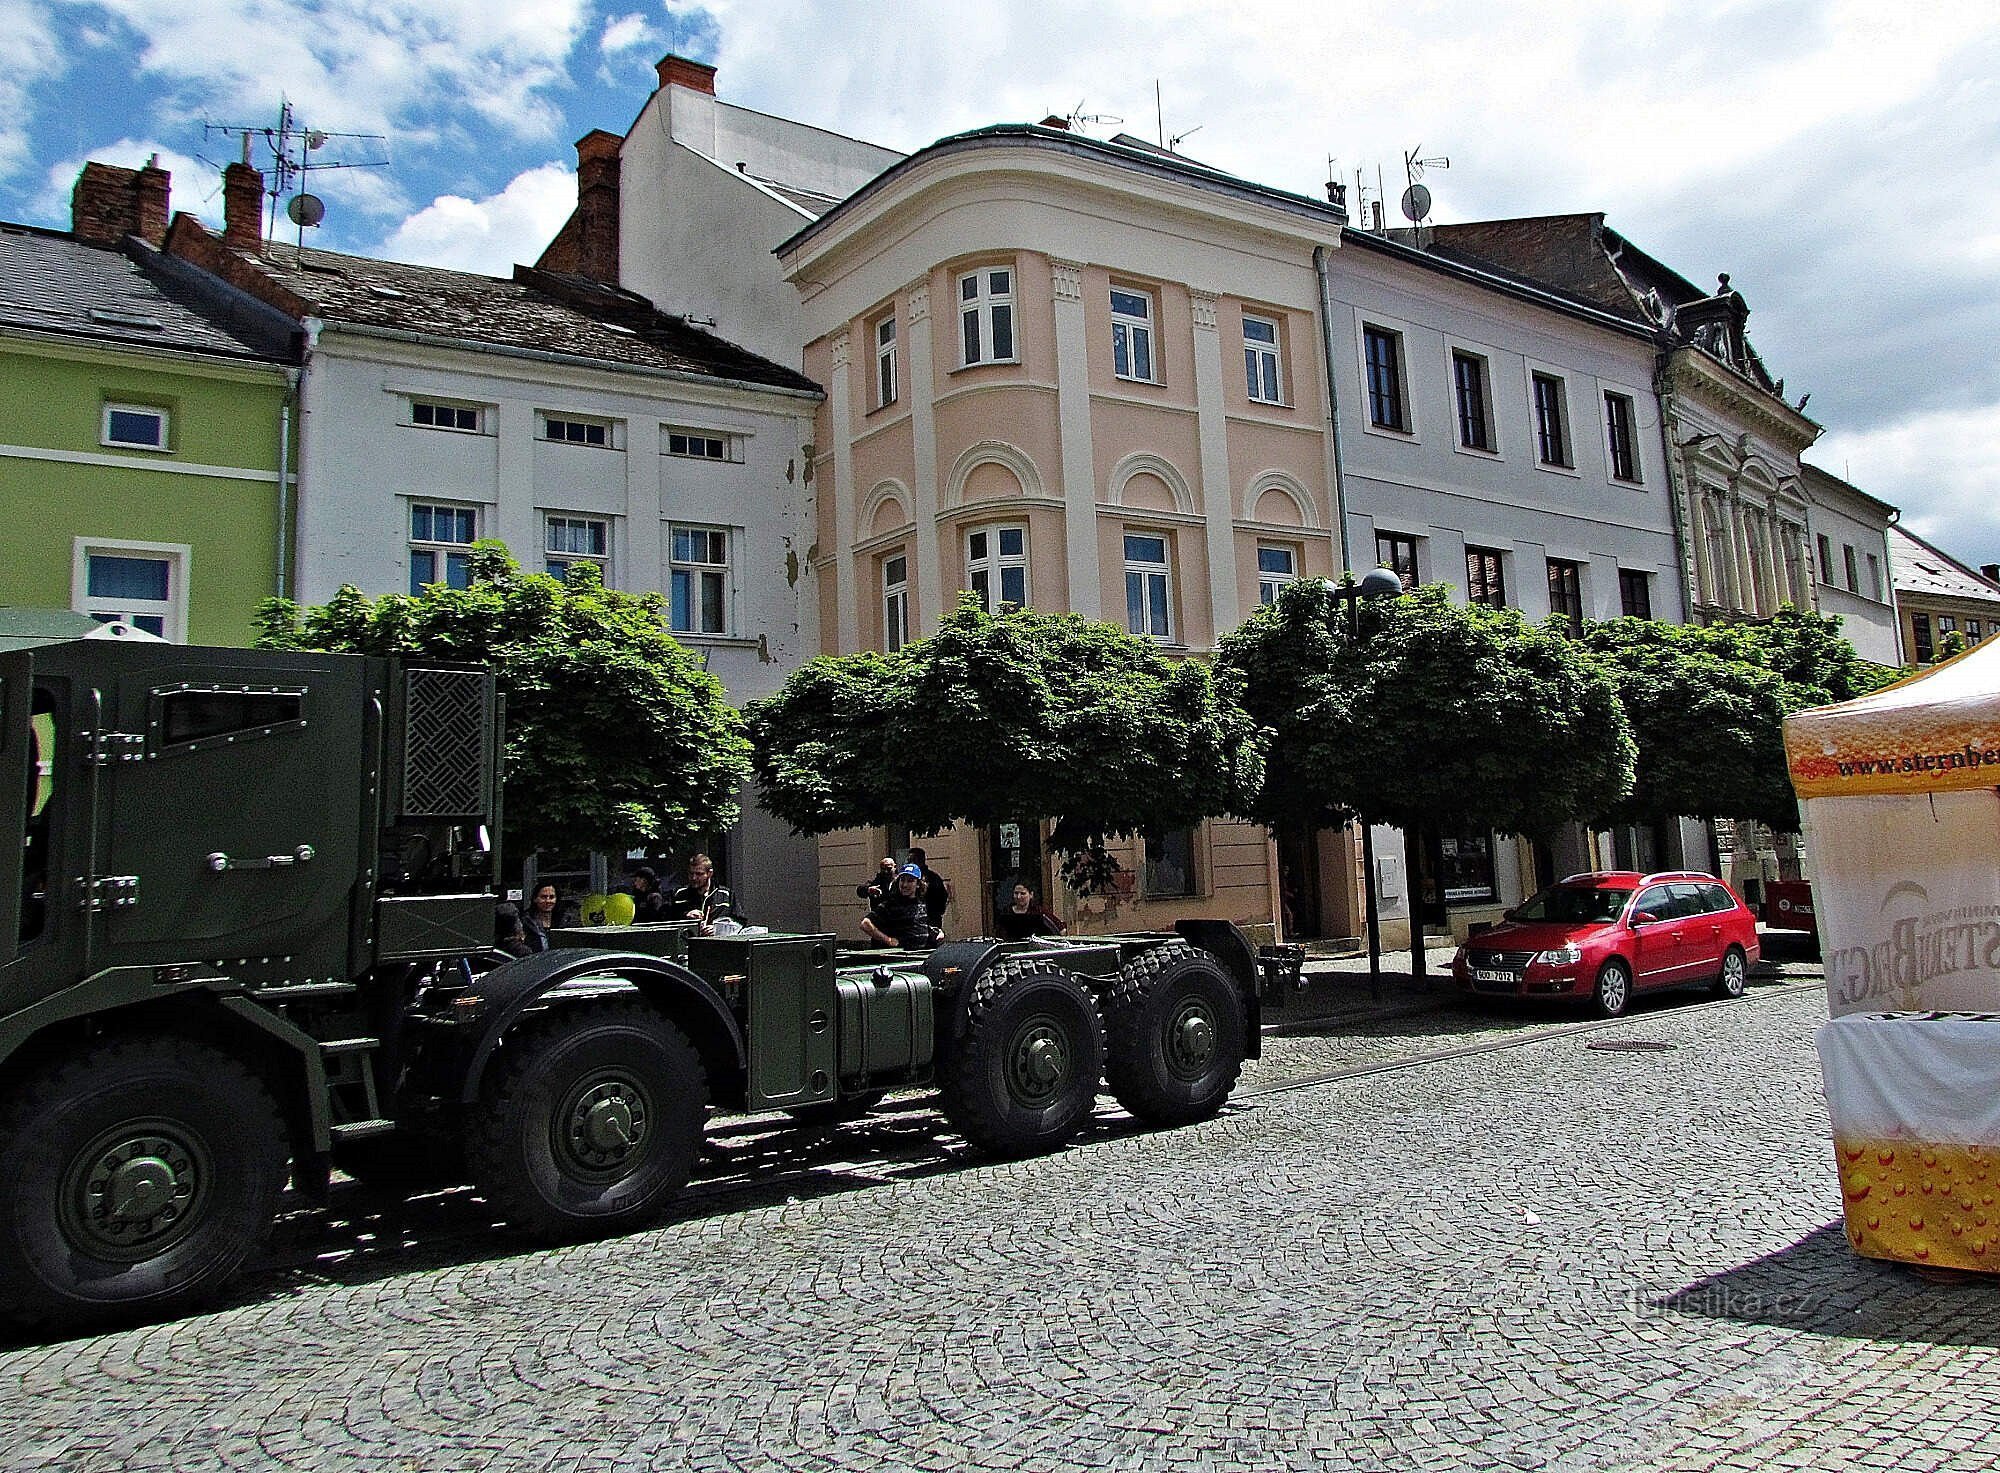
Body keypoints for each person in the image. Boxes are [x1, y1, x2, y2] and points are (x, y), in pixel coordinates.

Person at [860, 864, 935, 948]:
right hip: (900, 958)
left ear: (918, 884)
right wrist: (888, 940)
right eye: (902, 880)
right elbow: (865, 924)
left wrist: (937, 933)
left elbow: (924, 926)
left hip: (922, 955)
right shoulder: (891, 904)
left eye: (910, 881)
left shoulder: (922, 904)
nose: (905, 885)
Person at [669, 852, 737, 935]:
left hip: (717, 944)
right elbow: (665, 921)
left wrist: (718, 929)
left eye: (699, 874)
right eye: (691, 873)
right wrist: (686, 916)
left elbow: (739, 921)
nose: (694, 878)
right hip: (689, 944)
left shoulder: (726, 895)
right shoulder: (679, 895)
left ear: (710, 873)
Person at [994, 880, 1064, 942]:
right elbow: (999, 935)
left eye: (1022, 893)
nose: (1018, 897)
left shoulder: (1038, 912)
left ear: (1031, 895)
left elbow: (1061, 930)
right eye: (1016, 893)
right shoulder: (1006, 912)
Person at [908, 847, 950, 930]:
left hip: (931, 920)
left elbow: (942, 898)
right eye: (909, 860)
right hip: (910, 921)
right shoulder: (905, 878)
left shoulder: (933, 878)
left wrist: (935, 914)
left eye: (913, 860)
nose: (911, 863)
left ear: (922, 860)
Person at [522, 882, 558, 953]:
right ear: (535, 899)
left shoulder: (564, 920)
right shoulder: (525, 921)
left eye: (551, 897)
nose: (548, 901)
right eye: (543, 897)